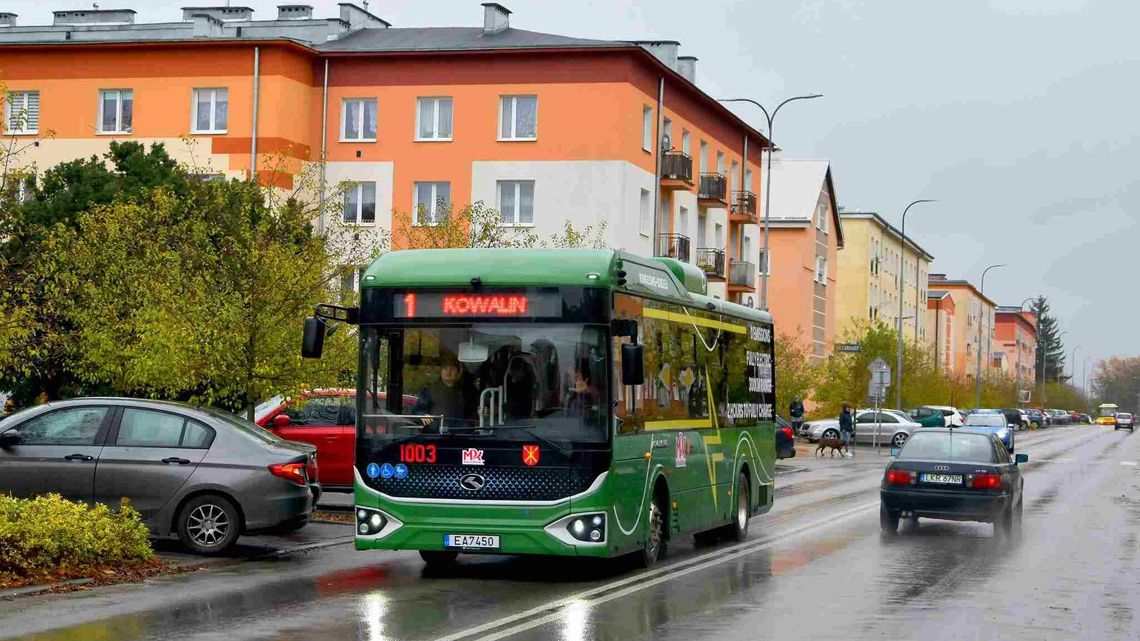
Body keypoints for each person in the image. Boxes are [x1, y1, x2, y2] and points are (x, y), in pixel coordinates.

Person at [411, 351, 476, 430]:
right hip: (435, 436)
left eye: (452, 368)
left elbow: (475, 415)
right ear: (441, 372)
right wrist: (423, 415)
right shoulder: (429, 391)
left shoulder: (468, 392)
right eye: (445, 368)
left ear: (458, 373)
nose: (448, 371)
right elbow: (417, 412)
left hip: (462, 436)